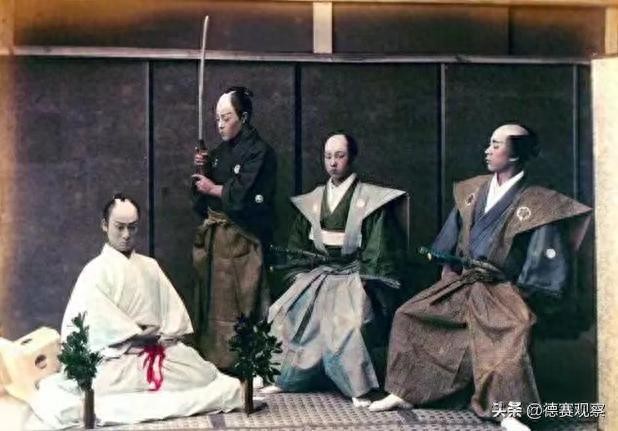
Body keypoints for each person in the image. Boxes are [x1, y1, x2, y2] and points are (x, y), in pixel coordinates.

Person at [368, 124, 592, 431]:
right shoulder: (472, 191)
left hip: (502, 287)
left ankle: (507, 410)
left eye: (496, 145)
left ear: (515, 155)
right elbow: (448, 242)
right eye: (490, 143)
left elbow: (542, 258)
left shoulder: (537, 202)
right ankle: (406, 391)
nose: (487, 150)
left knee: (515, 328)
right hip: (465, 280)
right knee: (409, 315)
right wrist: (448, 274)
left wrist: (522, 293)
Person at [27, 194, 246, 429]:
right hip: (115, 359)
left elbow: (172, 319)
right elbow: (89, 329)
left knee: (200, 371)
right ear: (104, 225)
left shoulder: (150, 267)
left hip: (154, 353)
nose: (126, 235)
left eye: (132, 227)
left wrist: (160, 336)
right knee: (95, 382)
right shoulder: (94, 271)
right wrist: (132, 335)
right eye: (119, 227)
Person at [262, 133, 407, 407]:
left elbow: (377, 249)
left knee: (349, 323)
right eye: (328, 156)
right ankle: (283, 377)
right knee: (284, 311)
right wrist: (300, 274)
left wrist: (364, 283)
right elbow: (297, 246)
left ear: (351, 158)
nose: (333, 162)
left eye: (339, 156)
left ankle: (356, 386)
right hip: (320, 272)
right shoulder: (315, 199)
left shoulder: (369, 200)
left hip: (355, 274)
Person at [191, 86, 277, 371]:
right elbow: (200, 198)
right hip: (217, 238)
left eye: (226, 118)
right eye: (217, 118)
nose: (220, 124)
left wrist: (213, 188)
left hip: (244, 240)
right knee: (216, 303)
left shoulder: (259, 152)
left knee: (244, 301)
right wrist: (203, 169)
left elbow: (243, 196)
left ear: (244, 117)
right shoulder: (217, 154)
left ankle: (247, 365)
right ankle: (217, 360)